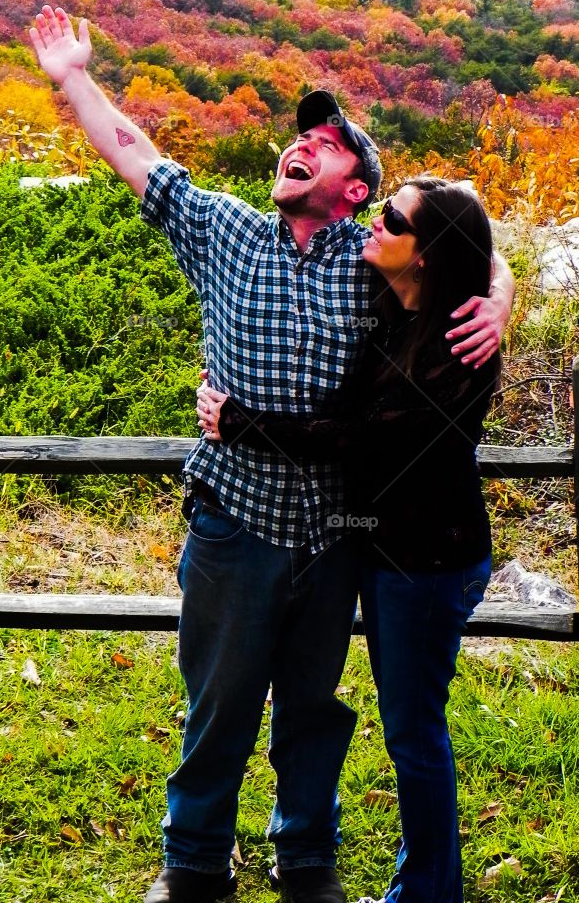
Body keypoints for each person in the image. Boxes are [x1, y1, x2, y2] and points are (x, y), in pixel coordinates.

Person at [27, 5, 515, 903]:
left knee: (311, 717)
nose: (303, 145)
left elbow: (457, 244)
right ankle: (195, 864)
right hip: (233, 523)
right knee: (216, 708)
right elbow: (134, 151)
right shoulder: (224, 231)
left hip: (334, 539)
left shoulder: (369, 262)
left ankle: (308, 865)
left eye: (326, 143)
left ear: (356, 188)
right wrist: (73, 79)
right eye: (300, 138)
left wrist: (500, 294)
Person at [197, 177, 502, 903]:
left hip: (426, 566)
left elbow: (353, 440)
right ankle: (424, 888)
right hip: (392, 558)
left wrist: (237, 424)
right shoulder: (400, 311)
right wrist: (506, 286)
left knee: (413, 734)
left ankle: (428, 896)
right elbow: (489, 256)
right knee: (410, 728)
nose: (375, 222)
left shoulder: (455, 344)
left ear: (425, 255)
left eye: (391, 219)